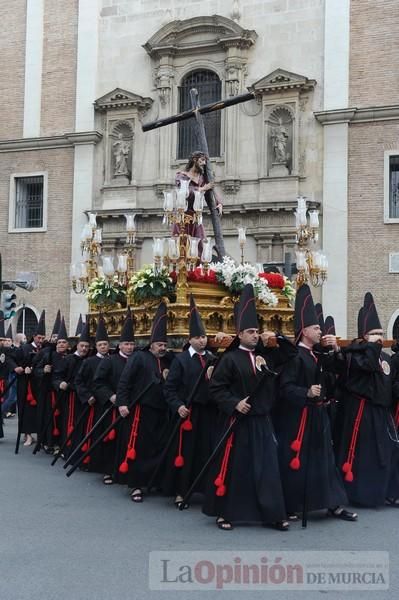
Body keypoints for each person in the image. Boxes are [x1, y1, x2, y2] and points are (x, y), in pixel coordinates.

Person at [202, 284, 296, 531]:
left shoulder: (267, 355)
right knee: (237, 469)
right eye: (251, 331)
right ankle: (227, 513)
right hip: (238, 421)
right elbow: (216, 389)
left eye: (257, 331)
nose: (256, 335)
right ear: (240, 334)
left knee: (267, 469)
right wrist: (234, 403)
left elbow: (291, 355)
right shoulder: (229, 359)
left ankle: (273, 514)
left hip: (262, 421)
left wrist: (278, 338)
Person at [275, 284, 357, 522]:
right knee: (296, 463)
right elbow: (285, 388)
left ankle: (333, 504)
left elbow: (339, 371)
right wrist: (306, 392)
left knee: (325, 462)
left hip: (319, 416)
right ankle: (292, 505)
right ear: (304, 331)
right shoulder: (294, 357)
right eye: (315, 327)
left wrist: (334, 348)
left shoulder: (319, 354)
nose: (320, 331)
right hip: (299, 419)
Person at [334, 292, 399, 507]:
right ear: (364, 336)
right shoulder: (355, 355)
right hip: (362, 413)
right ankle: (360, 495)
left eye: (381, 332)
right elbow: (368, 366)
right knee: (364, 454)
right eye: (374, 333)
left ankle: (384, 493)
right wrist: (371, 346)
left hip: (382, 412)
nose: (379, 337)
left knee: (385, 453)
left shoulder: (386, 358)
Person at [161, 294, 218, 507]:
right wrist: (178, 406)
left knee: (207, 451)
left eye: (204, 337)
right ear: (190, 339)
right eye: (198, 337)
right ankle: (181, 491)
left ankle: (204, 490)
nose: (202, 340)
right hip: (188, 414)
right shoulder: (181, 360)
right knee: (186, 453)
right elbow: (170, 388)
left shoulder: (213, 359)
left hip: (209, 413)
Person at [115, 301, 174, 502]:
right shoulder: (139, 358)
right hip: (141, 410)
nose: (162, 348)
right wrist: (122, 403)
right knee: (139, 447)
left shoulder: (167, 360)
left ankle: (153, 480)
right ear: (151, 344)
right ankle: (136, 485)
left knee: (158, 446)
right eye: (159, 345)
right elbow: (125, 381)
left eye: (165, 345)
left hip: (161, 411)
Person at [93, 314, 135, 485]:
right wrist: (111, 396)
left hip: (132, 407)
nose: (130, 347)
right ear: (119, 345)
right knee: (111, 439)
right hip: (112, 407)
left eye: (132, 344)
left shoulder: (138, 360)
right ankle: (109, 470)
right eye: (126, 344)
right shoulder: (110, 361)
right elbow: (98, 383)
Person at [73, 318, 111, 479]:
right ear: (96, 346)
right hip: (93, 403)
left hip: (109, 403)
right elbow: (79, 381)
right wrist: (87, 396)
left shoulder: (113, 360)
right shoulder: (89, 362)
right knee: (93, 432)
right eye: (101, 345)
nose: (103, 347)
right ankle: (90, 461)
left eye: (106, 344)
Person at [11, 310, 47, 446]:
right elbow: (11, 359)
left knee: (39, 411)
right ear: (34, 337)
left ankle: (39, 435)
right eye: (39, 338)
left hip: (39, 385)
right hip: (25, 385)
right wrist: (17, 368)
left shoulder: (45, 350)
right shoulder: (24, 348)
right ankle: (27, 435)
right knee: (26, 410)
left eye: (43, 338)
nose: (41, 340)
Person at [174, 151, 222, 242]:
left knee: (200, 244)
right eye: (202, 160)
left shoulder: (202, 179)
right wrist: (202, 189)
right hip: (182, 215)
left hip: (196, 216)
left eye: (205, 162)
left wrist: (219, 202)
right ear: (194, 160)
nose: (204, 163)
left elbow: (211, 190)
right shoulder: (181, 176)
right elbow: (184, 192)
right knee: (181, 243)